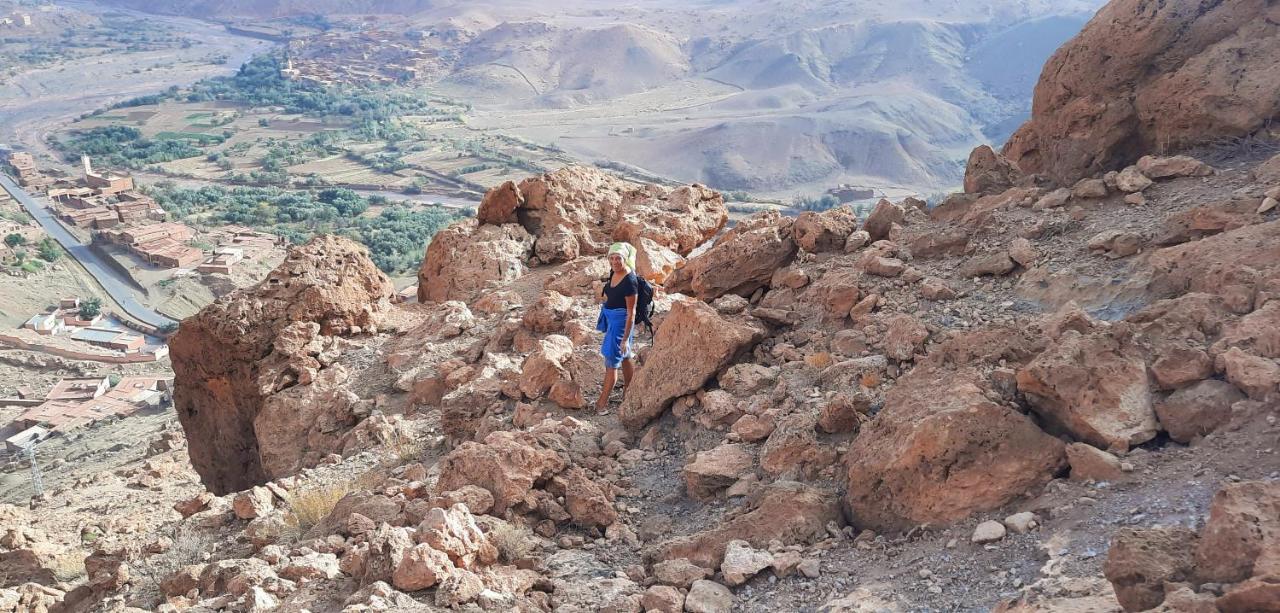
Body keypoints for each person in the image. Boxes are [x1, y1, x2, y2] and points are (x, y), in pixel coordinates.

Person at [596, 242, 638, 412]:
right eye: (611, 258)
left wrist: (625, 338)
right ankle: (630, 389)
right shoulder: (614, 272)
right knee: (626, 356)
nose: (614, 261)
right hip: (613, 319)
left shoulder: (630, 281)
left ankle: (601, 405)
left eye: (618, 258)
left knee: (611, 362)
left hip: (621, 324)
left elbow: (631, 313)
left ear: (625, 259)